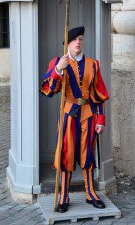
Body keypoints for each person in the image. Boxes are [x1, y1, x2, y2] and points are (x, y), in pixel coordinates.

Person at [40, 26, 109, 213]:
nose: (78, 42)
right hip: (69, 114)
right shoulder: (58, 62)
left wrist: (101, 118)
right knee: (66, 154)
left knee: (88, 154)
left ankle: (90, 193)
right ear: (67, 44)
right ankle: (64, 195)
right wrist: (58, 70)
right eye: (74, 40)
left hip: (88, 114)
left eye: (80, 39)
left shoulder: (93, 64)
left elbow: (99, 94)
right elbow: (49, 90)